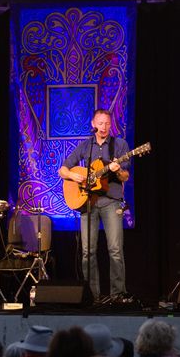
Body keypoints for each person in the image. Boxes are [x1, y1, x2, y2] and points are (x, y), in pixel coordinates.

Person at [59, 109, 130, 299]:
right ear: (93, 124)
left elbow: (126, 175)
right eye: (100, 123)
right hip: (88, 202)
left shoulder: (120, 145)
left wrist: (117, 171)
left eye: (107, 123)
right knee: (87, 252)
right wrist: (74, 175)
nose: (104, 127)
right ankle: (92, 296)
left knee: (115, 250)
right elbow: (63, 170)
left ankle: (117, 296)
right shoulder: (86, 146)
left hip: (111, 202)